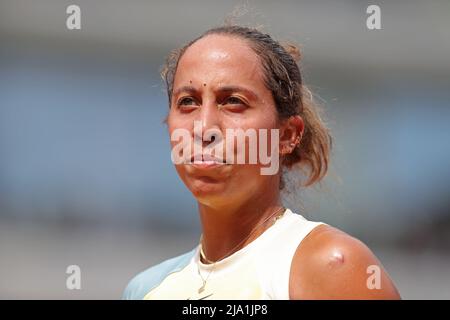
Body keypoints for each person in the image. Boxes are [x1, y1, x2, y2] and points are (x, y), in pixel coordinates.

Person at [122, 25, 401, 300]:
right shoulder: (145, 290)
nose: (204, 127)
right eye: (187, 102)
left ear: (288, 135)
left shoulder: (332, 268)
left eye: (233, 101)